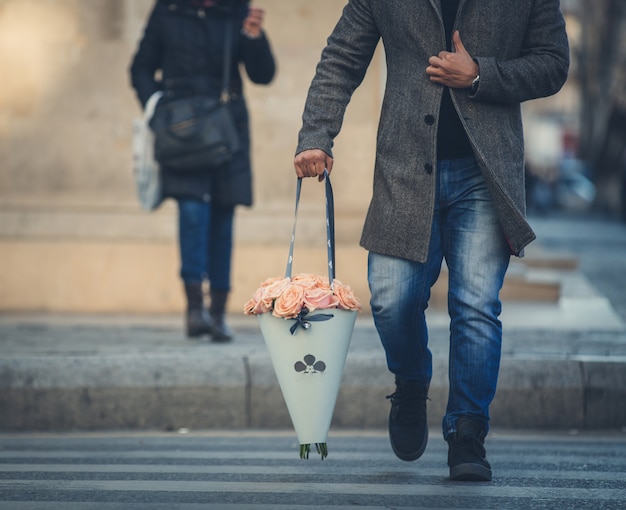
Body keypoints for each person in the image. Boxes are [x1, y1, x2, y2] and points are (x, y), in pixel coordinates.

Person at [294, 0, 568, 481]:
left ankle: (467, 433)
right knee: (390, 299)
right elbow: (342, 55)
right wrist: (317, 134)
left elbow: (553, 63)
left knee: (477, 305)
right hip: (405, 169)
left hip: (486, 174)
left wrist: (481, 75)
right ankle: (412, 380)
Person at [130, 0, 275, 341]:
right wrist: (158, 110)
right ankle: (195, 309)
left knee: (223, 217)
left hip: (226, 130)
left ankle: (218, 313)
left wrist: (254, 37)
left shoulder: (237, 9)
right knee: (193, 211)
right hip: (182, 131)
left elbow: (263, 75)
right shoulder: (168, 9)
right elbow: (140, 69)